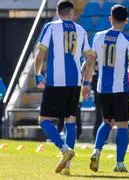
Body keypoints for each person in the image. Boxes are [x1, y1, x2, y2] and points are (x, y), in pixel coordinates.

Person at [34, 0, 94, 174]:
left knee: (44, 120)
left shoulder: (51, 27)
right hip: (75, 81)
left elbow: (41, 52)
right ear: (72, 12)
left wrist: (38, 74)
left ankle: (64, 149)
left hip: (56, 80)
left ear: (58, 11)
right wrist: (87, 81)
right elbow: (90, 58)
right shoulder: (81, 30)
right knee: (70, 121)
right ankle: (67, 167)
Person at [86, 5, 129, 173]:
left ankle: (96, 150)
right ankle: (119, 163)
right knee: (122, 125)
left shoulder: (98, 37)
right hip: (121, 88)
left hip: (102, 88)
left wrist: (85, 81)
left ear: (110, 18)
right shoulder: (128, 40)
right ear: (126, 21)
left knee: (107, 122)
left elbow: (90, 61)